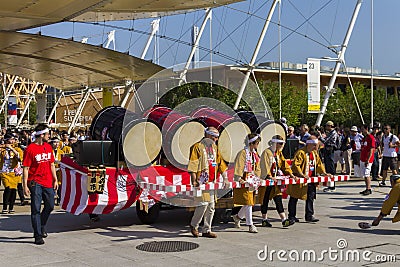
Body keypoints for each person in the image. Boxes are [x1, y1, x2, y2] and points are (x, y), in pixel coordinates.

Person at [188, 127, 228, 238]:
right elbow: (193, 164)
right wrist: (194, 180)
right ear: (207, 135)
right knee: (203, 205)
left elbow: (220, 163)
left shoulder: (214, 148)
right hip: (201, 181)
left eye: (217, 137)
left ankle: (207, 229)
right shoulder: (197, 147)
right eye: (214, 137)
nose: (215, 139)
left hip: (212, 181)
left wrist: (225, 178)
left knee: (211, 206)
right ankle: (194, 225)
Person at [22, 124, 58, 245]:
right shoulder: (30, 149)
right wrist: (25, 185)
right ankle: (37, 234)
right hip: (35, 182)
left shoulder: (48, 147)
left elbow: (52, 164)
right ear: (41, 135)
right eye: (48, 134)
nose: (49, 136)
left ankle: (41, 225)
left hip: (47, 181)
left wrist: (55, 179)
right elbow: (26, 168)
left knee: (50, 206)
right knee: (36, 209)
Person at [287, 135, 330, 223]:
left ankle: (309, 215)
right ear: (309, 144)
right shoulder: (301, 152)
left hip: (310, 179)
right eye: (314, 145)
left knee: (311, 197)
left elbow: (319, 164)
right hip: (299, 179)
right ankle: (291, 216)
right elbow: (296, 165)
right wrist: (302, 174)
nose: (316, 147)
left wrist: (324, 173)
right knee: (294, 197)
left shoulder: (314, 153)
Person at [259, 135, 295, 227]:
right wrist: (269, 176)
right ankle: (264, 219)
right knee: (265, 199)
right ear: (275, 143)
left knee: (278, 198)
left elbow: (284, 164)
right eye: (280, 144)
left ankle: (284, 220)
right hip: (266, 180)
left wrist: (290, 173)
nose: (282, 146)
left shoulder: (278, 153)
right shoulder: (266, 152)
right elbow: (264, 166)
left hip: (275, 180)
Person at [232, 133, 261, 233]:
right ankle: (250, 224)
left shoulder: (255, 153)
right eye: (257, 143)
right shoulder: (243, 153)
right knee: (248, 202)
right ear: (252, 143)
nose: (258, 145)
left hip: (251, 180)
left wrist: (257, 177)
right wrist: (239, 178)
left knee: (249, 202)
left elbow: (257, 166)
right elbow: (239, 166)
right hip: (244, 179)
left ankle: (238, 217)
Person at [0, 133, 24, 213]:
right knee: (8, 188)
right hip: (4, 172)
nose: (13, 141)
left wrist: (12, 149)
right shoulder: (1, 149)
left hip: (14, 172)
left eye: (14, 139)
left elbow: (20, 159)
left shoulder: (17, 149)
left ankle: (11, 207)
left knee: (13, 190)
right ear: (6, 140)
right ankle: (5, 207)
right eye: (11, 139)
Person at [358, 124, 375, 196]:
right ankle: (367, 188)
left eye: (362, 129)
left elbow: (372, 149)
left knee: (367, 173)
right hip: (362, 158)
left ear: (366, 129)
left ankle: (369, 188)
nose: (361, 130)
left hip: (368, 159)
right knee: (364, 174)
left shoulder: (371, 138)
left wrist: (368, 159)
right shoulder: (363, 138)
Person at [322, 121, 338, 192]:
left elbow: (325, 141)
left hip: (330, 150)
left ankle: (332, 186)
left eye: (327, 126)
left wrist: (319, 137)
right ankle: (329, 185)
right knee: (328, 168)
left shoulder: (333, 133)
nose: (326, 127)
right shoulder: (329, 133)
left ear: (330, 126)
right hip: (327, 151)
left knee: (331, 168)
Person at [49, 136, 64, 205]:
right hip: (51, 170)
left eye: (58, 142)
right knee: (51, 184)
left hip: (59, 169)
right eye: (55, 142)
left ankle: (59, 199)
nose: (56, 144)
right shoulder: (48, 151)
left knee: (60, 184)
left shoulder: (61, 152)